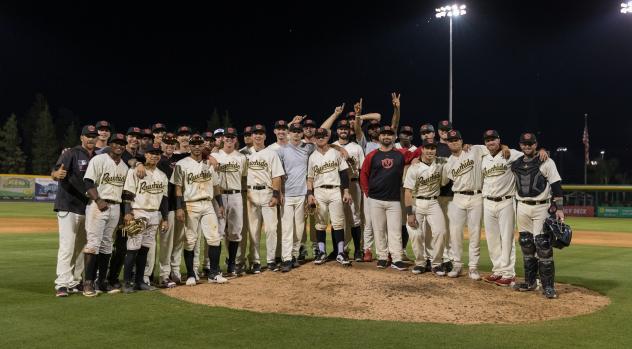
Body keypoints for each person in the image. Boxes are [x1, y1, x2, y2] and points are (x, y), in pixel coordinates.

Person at [511, 132, 564, 299]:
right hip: (522, 207)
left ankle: (548, 286)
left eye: (531, 144)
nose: (527, 146)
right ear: (520, 145)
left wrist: (560, 209)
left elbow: (556, 185)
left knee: (543, 245)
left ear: (536, 144)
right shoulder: (515, 163)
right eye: (525, 144)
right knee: (526, 243)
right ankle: (530, 282)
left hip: (541, 207)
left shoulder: (546, 161)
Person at [172, 134, 227, 285]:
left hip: (208, 204)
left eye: (199, 144)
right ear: (189, 146)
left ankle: (214, 273)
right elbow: (178, 188)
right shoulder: (181, 164)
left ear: (203, 146)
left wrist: (220, 204)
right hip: (190, 204)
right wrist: (178, 208)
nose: (197, 147)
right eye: (194, 144)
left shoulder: (209, 164)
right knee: (190, 240)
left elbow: (215, 186)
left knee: (214, 238)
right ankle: (191, 275)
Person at [360, 125, 416, 271]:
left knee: (395, 230)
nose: (386, 137)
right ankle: (382, 257)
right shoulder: (372, 155)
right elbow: (363, 175)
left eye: (389, 134)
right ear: (379, 137)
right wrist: (367, 193)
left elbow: (418, 152)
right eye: (384, 134)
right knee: (378, 229)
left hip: (394, 199)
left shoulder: (400, 153)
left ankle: (396, 258)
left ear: (394, 137)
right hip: (375, 198)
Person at [52, 125, 98, 297]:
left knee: (81, 247)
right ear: (82, 137)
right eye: (88, 136)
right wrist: (56, 174)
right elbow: (56, 171)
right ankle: (62, 284)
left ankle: (75, 281)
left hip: (87, 208)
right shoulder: (71, 153)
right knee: (67, 246)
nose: (91, 139)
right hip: (68, 206)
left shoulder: (98, 156)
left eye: (93, 136)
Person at [81, 132, 129, 297]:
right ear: (111, 144)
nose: (119, 146)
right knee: (93, 243)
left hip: (115, 206)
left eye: (122, 143)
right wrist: (98, 199)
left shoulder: (124, 166)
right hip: (98, 205)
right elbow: (88, 181)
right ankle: (87, 283)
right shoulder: (99, 159)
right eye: (116, 142)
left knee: (107, 244)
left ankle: (102, 282)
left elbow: (124, 192)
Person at [120, 143, 169, 293]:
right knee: (132, 248)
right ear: (145, 155)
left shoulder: (162, 175)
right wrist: (127, 212)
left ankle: (140, 281)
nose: (155, 155)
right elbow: (127, 193)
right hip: (138, 212)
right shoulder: (134, 171)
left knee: (145, 250)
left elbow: (165, 199)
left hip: (154, 214)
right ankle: (127, 282)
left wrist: (165, 217)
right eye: (151, 153)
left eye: (157, 153)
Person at [480, 129, 524, 286]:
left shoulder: (510, 153)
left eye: (493, 139)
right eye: (487, 140)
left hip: (506, 201)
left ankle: (508, 273)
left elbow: (528, 154)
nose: (490, 142)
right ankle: (497, 270)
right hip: (488, 201)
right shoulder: (483, 156)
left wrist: (542, 151)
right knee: (492, 239)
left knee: (507, 238)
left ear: (499, 140)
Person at [443, 130, 486, 279]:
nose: (454, 142)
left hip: (476, 196)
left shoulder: (474, 150)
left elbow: (496, 148)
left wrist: (505, 148)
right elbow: (444, 182)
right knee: (455, 234)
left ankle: (473, 267)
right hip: (458, 198)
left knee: (474, 233)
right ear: (447, 143)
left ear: (461, 141)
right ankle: (457, 265)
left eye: (457, 139)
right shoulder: (448, 163)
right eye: (451, 140)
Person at [307, 128, 353, 266]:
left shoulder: (335, 153)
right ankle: (321, 252)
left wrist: (346, 191)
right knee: (320, 224)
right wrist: (310, 194)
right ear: (314, 138)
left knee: (338, 223)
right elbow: (309, 178)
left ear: (328, 137)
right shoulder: (312, 157)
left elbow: (344, 173)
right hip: (319, 191)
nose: (320, 138)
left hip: (334, 190)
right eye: (318, 136)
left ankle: (340, 253)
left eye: (323, 136)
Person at [403, 139, 449, 275]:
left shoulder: (441, 162)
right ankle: (420, 263)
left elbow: (456, 156)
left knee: (441, 232)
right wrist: (409, 213)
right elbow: (408, 192)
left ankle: (436, 263)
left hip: (434, 203)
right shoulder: (414, 167)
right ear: (422, 149)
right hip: (417, 203)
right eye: (427, 148)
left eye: (433, 148)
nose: (430, 151)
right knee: (416, 234)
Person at [244, 124, 285, 273]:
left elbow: (276, 176)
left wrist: (275, 194)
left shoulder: (271, 153)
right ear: (251, 136)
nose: (258, 136)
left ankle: (271, 260)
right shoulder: (244, 154)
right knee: (253, 230)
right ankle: (255, 261)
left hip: (267, 193)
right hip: (250, 194)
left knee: (272, 229)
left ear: (265, 136)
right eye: (255, 133)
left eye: (261, 133)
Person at [276, 122, 314, 271]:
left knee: (299, 229)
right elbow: (277, 174)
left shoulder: (308, 148)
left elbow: (326, 142)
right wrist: (279, 192)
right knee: (287, 229)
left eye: (299, 131)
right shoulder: (282, 150)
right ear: (289, 133)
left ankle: (294, 255)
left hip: (302, 194)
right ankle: (286, 259)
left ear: (302, 133)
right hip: (287, 194)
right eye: (294, 131)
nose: (297, 134)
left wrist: (339, 148)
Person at [213, 127, 248, 276]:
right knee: (218, 231)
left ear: (235, 139)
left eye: (232, 137)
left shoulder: (241, 157)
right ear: (222, 138)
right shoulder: (215, 155)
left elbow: (245, 177)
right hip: (218, 196)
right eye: (226, 136)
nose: (229, 139)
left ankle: (232, 265)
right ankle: (214, 267)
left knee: (235, 231)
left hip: (236, 195)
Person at [156, 133, 189, 287]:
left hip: (178, 206)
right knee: (165, 243)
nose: (169, 145)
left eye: (171, 142)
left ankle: (175, 271)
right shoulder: (156, 159)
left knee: (178, 241)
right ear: (160, 144)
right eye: (166, 142)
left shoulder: (179, 160)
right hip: (164, 207)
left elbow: (201, 153)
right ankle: (163, 275)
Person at [332, 119, 365, 262]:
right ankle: (337, 251)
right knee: (336, 219)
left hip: (353, 184)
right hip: (335, 186)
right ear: (337, 131)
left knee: (355, 217)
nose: (343, 131)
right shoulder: (331, 147)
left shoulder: (356, 147)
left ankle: (358, 250)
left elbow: (362, 169)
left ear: (349, 131)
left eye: (346, 128)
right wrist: (339, 149)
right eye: (341, 128)